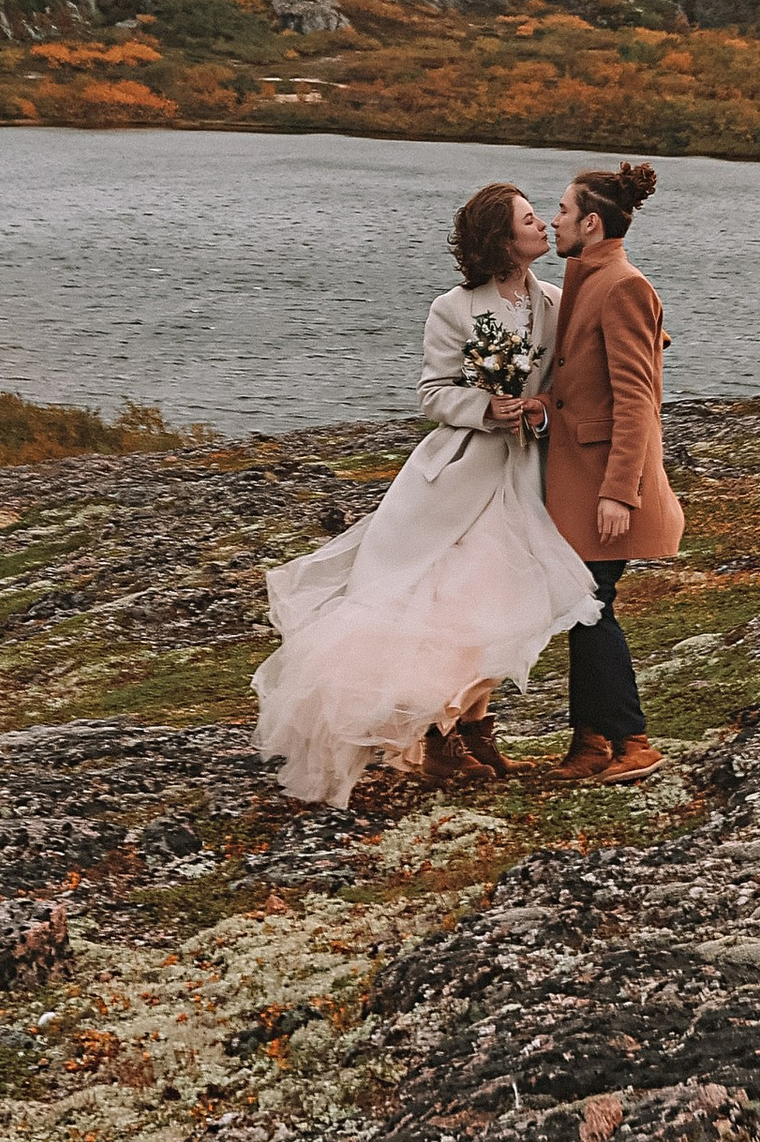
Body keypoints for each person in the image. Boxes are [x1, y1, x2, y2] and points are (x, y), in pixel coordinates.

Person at [251, 180, 603, 809]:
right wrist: (486, 407)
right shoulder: (454, 308)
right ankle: (441, 737)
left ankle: (475, 728)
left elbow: (583, 359)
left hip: (526, 477)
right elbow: (433, 393)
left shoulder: (555, 300)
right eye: (531, 218)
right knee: (449, 602)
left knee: (504, 601)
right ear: (503, 238)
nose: (545, 226)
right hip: (459, 475)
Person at [540, 160, 685, 784]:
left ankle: (634, 740)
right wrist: (539, 406)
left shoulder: (625, 284)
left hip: (606, 481)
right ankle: (590, 742)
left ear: (591, 223)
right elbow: (580, 378)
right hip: (575, 474)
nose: (553, 221)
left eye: (564, 212)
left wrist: (620, 492)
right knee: (582, 605)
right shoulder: (583, 273)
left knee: (590, 604)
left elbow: (637, 399)